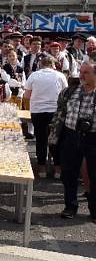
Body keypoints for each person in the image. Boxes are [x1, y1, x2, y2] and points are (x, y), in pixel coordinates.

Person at [49, 61, 96, 221]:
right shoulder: (70, 91)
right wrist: (54, 133)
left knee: (94, 175)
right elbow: (59, 112)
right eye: (81, 72)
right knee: (69, 174)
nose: (81, 75)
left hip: (93, 138)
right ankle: (70, 206)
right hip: (71, 135)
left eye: (86, 73)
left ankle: (94, 210)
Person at [25, 55, 68, 179]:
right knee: (55, 140)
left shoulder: (34, 75)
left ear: (41, 65)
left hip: (37, 111)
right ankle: (57, 170)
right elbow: (65, 93)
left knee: (41, 140)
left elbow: (27, 95)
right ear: (53, 65)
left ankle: (42, 168)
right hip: (54, 111)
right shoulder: (60, 76)